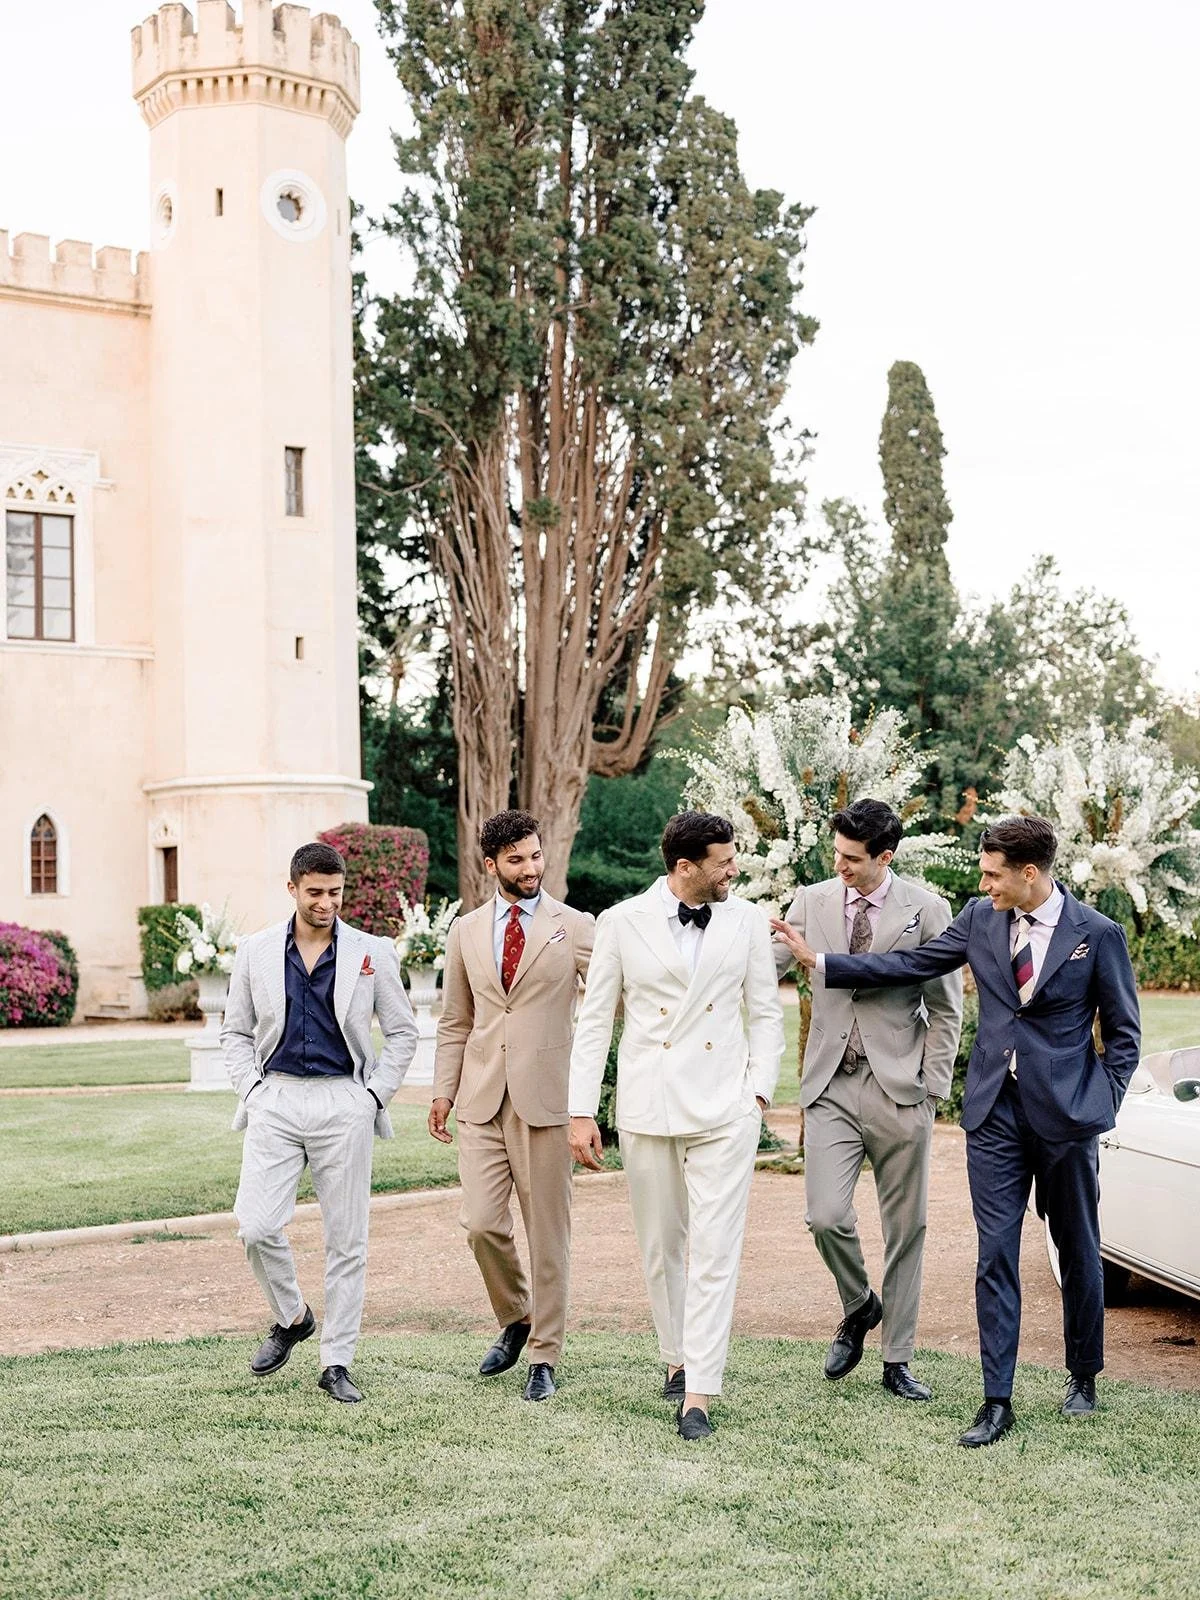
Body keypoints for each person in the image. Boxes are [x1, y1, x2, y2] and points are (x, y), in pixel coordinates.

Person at [771, 815, 1141, 1447]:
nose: (982, 883)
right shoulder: (978, 918)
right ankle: (997, 1400)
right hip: (994, 1114)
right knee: (994, 1253)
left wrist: (1097, 1102)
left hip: (1067, 1117)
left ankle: (1083, 1372)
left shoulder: (1096, 934)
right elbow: (911, 964)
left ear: (1030, 874)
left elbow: (1125, 1036)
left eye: (992, 874)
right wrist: (824, 962)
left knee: (1078, 1245)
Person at [569, 811, 784, 1440]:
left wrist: (759, 1096)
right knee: (662, 1246)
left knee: (715, 1252)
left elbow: (766, 1015)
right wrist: (582, 1110)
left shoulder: (745, 921)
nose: (734, 870)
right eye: (723, 861)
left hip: (726, 1108)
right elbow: (594, 1021)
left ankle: (699, 1392)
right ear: (684, 867)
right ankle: (675, 1356)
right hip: (649, 1106)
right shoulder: (620, 922)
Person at [774, 800, 962, 1401]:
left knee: (907, 1227)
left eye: (853, 859)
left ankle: (897, 1359)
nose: (841, 867)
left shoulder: (927, 908)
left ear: (887, 856)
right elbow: (762, 966)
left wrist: (931, 1087)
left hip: (900, 1089)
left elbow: (946, 1009)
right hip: (829, 1085)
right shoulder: (810, 901)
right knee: (824, 1215)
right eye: (836, 854)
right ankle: (860, 1304)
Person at [220, 842, 417, 1404]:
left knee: (347, 1239)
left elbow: (402, 1031)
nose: (326, 903)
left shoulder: (372, 951)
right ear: (293, 890)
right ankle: (292, 1316)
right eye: (315, 893)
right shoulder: (255, 951)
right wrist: (253, 1092)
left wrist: (372, 1096)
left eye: (335, 892)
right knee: (255, 1225)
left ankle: (337, 1361)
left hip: (344, 1101)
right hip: (275, 1098)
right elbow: (235, 1032)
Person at [430, 810, 594, 1402]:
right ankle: (518, 1316)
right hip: (480, 1097)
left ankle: (545, 1354)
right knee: (481, 1224)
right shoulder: (465, 931)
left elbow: (613, 996)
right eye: (517, 860)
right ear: (491, 864)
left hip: (546, 1099)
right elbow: (455, 1020)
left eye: (535, 856)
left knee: (548, 1233)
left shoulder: (572, 926)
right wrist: (443, 1090)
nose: (530, 869)